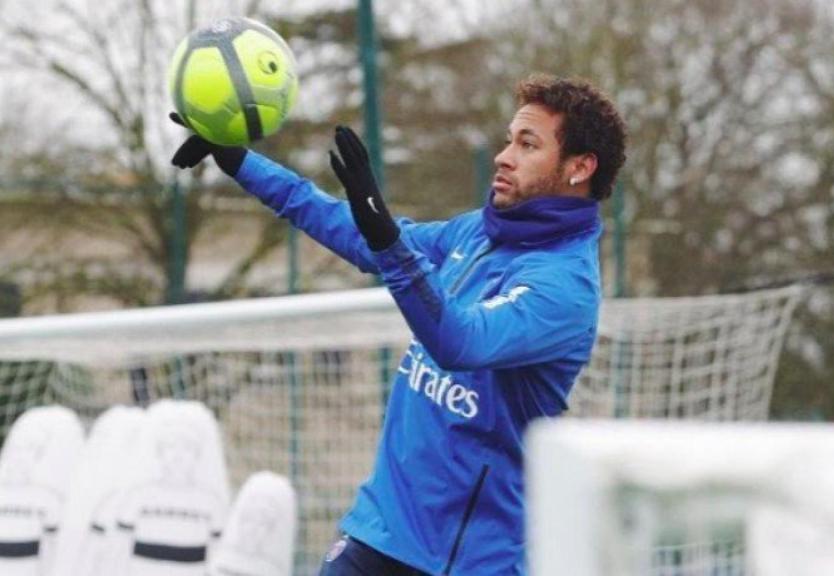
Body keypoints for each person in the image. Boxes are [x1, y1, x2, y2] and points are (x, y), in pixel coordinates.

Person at [170, 74, 627, 575]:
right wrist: (239, 161)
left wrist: (387, 237)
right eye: (507, 139)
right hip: (377, 532)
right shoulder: (475, 232)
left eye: (527, 144)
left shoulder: (565, 287)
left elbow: (461, 340)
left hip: (461, 562)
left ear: (579, 167)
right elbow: (362, 235)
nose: (503, 155)